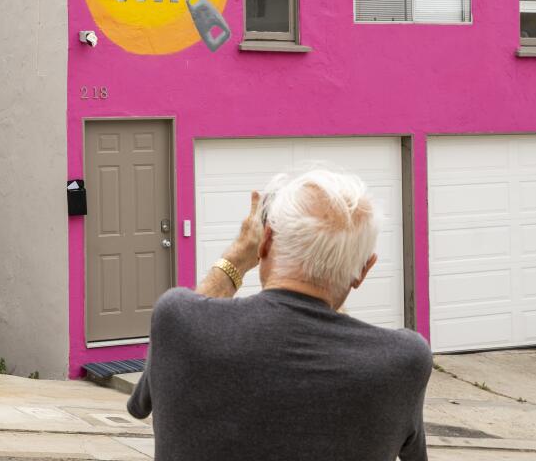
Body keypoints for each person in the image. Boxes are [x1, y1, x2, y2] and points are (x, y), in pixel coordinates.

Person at [128, 168, 432, 461]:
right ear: (363, 271)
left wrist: (235, 258)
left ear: (267, 240)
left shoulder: (177, 318)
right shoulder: (403, 360)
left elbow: (141, 404)